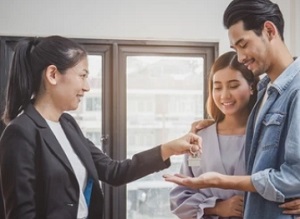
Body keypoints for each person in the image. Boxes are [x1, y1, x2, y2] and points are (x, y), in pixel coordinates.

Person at [0, 35, 202, 219]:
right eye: (82, 75)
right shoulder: (20, 132)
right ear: (53, 74)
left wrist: (169, 148)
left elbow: (114, 172)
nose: (87, 87)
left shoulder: (68, 125)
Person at [164, 0, 300, 218]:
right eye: (235, 48)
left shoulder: (296, 90)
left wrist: (220, 181)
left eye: (243, 44)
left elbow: (294, 177)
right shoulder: (265, 94)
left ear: (269, 30)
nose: (240, 57)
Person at [170, 51, 258, 219]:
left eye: (233, 86)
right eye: (217, 87)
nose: (224, 95)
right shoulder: (199, 137)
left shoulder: (266, 136)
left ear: (251, 86)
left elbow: (283, 181)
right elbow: (179, 198)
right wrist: (216, 208)